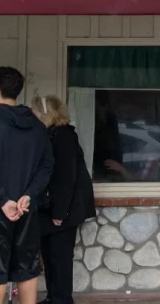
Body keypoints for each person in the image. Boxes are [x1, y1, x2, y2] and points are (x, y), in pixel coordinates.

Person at [0, 67, 54, 304]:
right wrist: (29, 195)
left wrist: (3, 201)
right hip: (26, 209)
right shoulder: (37, 127)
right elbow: (47, 166)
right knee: (27, 269)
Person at [31, 96, 96, 304]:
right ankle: (54, 297)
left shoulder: (63, 135)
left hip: (62, 209)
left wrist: (60, 212)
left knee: (59, 258)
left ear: (46, 114)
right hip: (50, 208)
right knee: (50, 257)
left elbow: (65, 177)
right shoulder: (51, 134)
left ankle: (62, 299)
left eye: (35, 114)